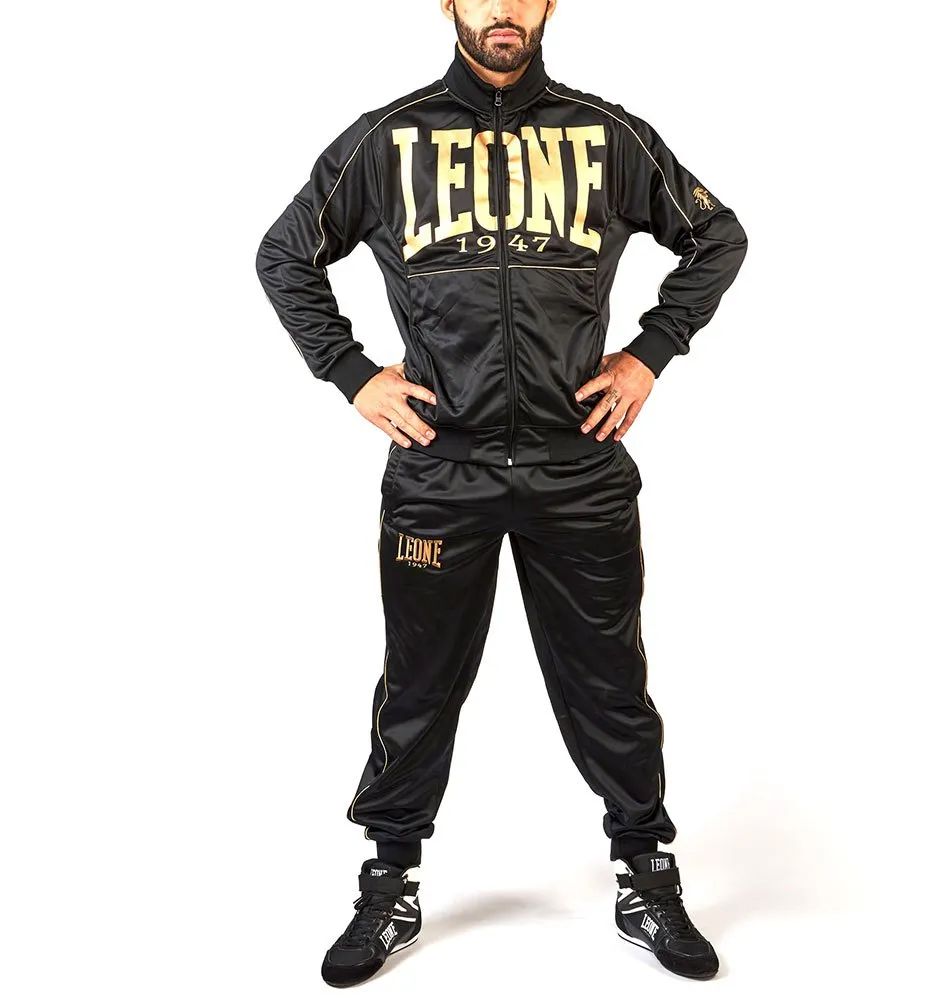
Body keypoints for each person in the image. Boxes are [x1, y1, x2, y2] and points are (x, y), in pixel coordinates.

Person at [256, 0, 747, 987]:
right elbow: (284, 254)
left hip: (579, 466)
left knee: (610, 683)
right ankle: (389, 880)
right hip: (441, 469)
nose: (503, 11)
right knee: (417, 686)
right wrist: (351, 374)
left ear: (549, 4)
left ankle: (645, 873)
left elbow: (717, 236)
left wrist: (650, 353)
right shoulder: (386, 141)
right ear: (449, 3)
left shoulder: (608, 137)